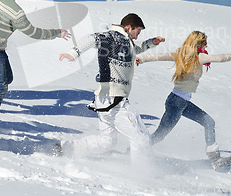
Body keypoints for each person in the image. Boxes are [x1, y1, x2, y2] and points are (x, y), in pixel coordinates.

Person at [58, 13, 165, 165]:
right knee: (140, 138)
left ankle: (66, 148)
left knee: (107, 142)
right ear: (129, 27)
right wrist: (73, 53)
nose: (137, 35)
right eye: (137, 32)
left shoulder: (124, 41)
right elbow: (90, 39)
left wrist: (151, 43)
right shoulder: (112, 37)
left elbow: (134, 48)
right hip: (114, 101)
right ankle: (145, 174)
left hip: (103, 100)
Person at [135, 30, 231, 170]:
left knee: (209, 122)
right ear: (198, 43)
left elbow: (159, 56)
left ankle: (215, 159)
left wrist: (143, 59)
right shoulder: (196, 57)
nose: (206, 46)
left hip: (182, 103)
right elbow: (220, 58)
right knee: (160, 135)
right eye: (204, 43)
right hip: (176, 103)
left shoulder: (184, 55)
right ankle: (135, 151)